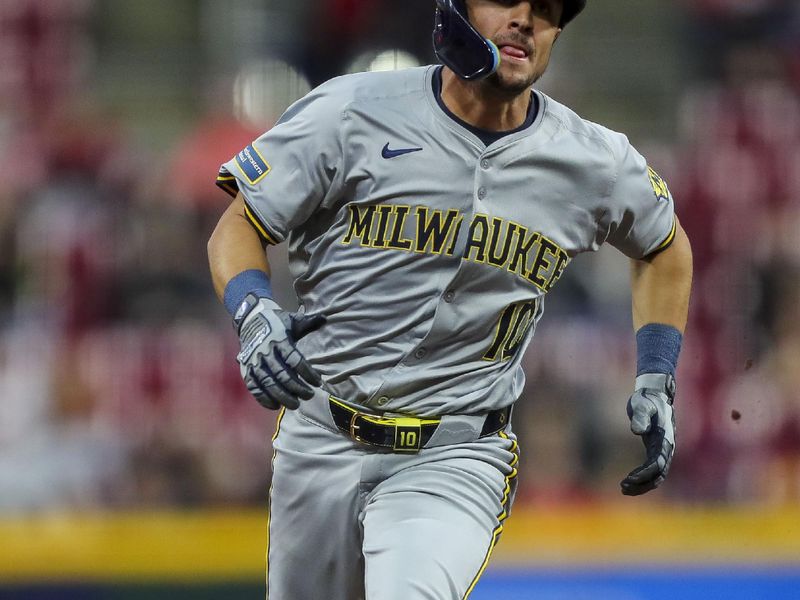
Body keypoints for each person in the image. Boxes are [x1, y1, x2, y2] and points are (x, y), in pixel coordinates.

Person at [207, 0, 693, 597]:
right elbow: (238, 223)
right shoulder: (353, 110)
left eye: (543, 8)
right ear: (455, 11)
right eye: (504, 0)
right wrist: (254, 312)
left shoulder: (592, 160)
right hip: (321, 435)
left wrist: (656, 378)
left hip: (456, 452)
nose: (523, 19)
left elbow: (665, 247)